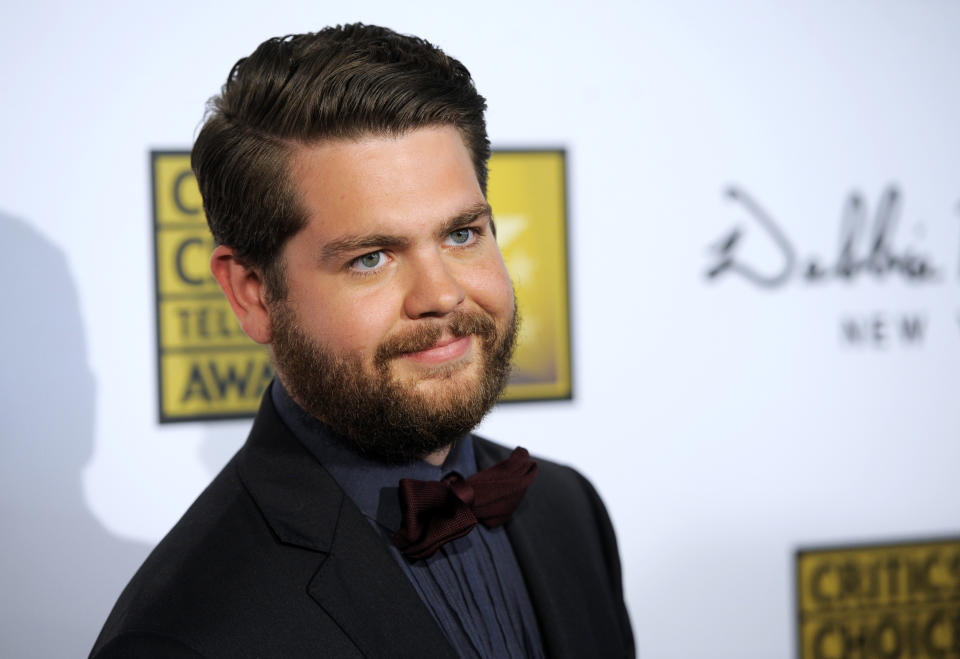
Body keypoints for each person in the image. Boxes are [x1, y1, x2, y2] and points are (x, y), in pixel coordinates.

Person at [90, 23, 634, 659]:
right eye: (372, 257)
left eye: (462, 234)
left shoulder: (567, 511)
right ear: (253, 293)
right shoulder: (182, 635)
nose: (441, 294)